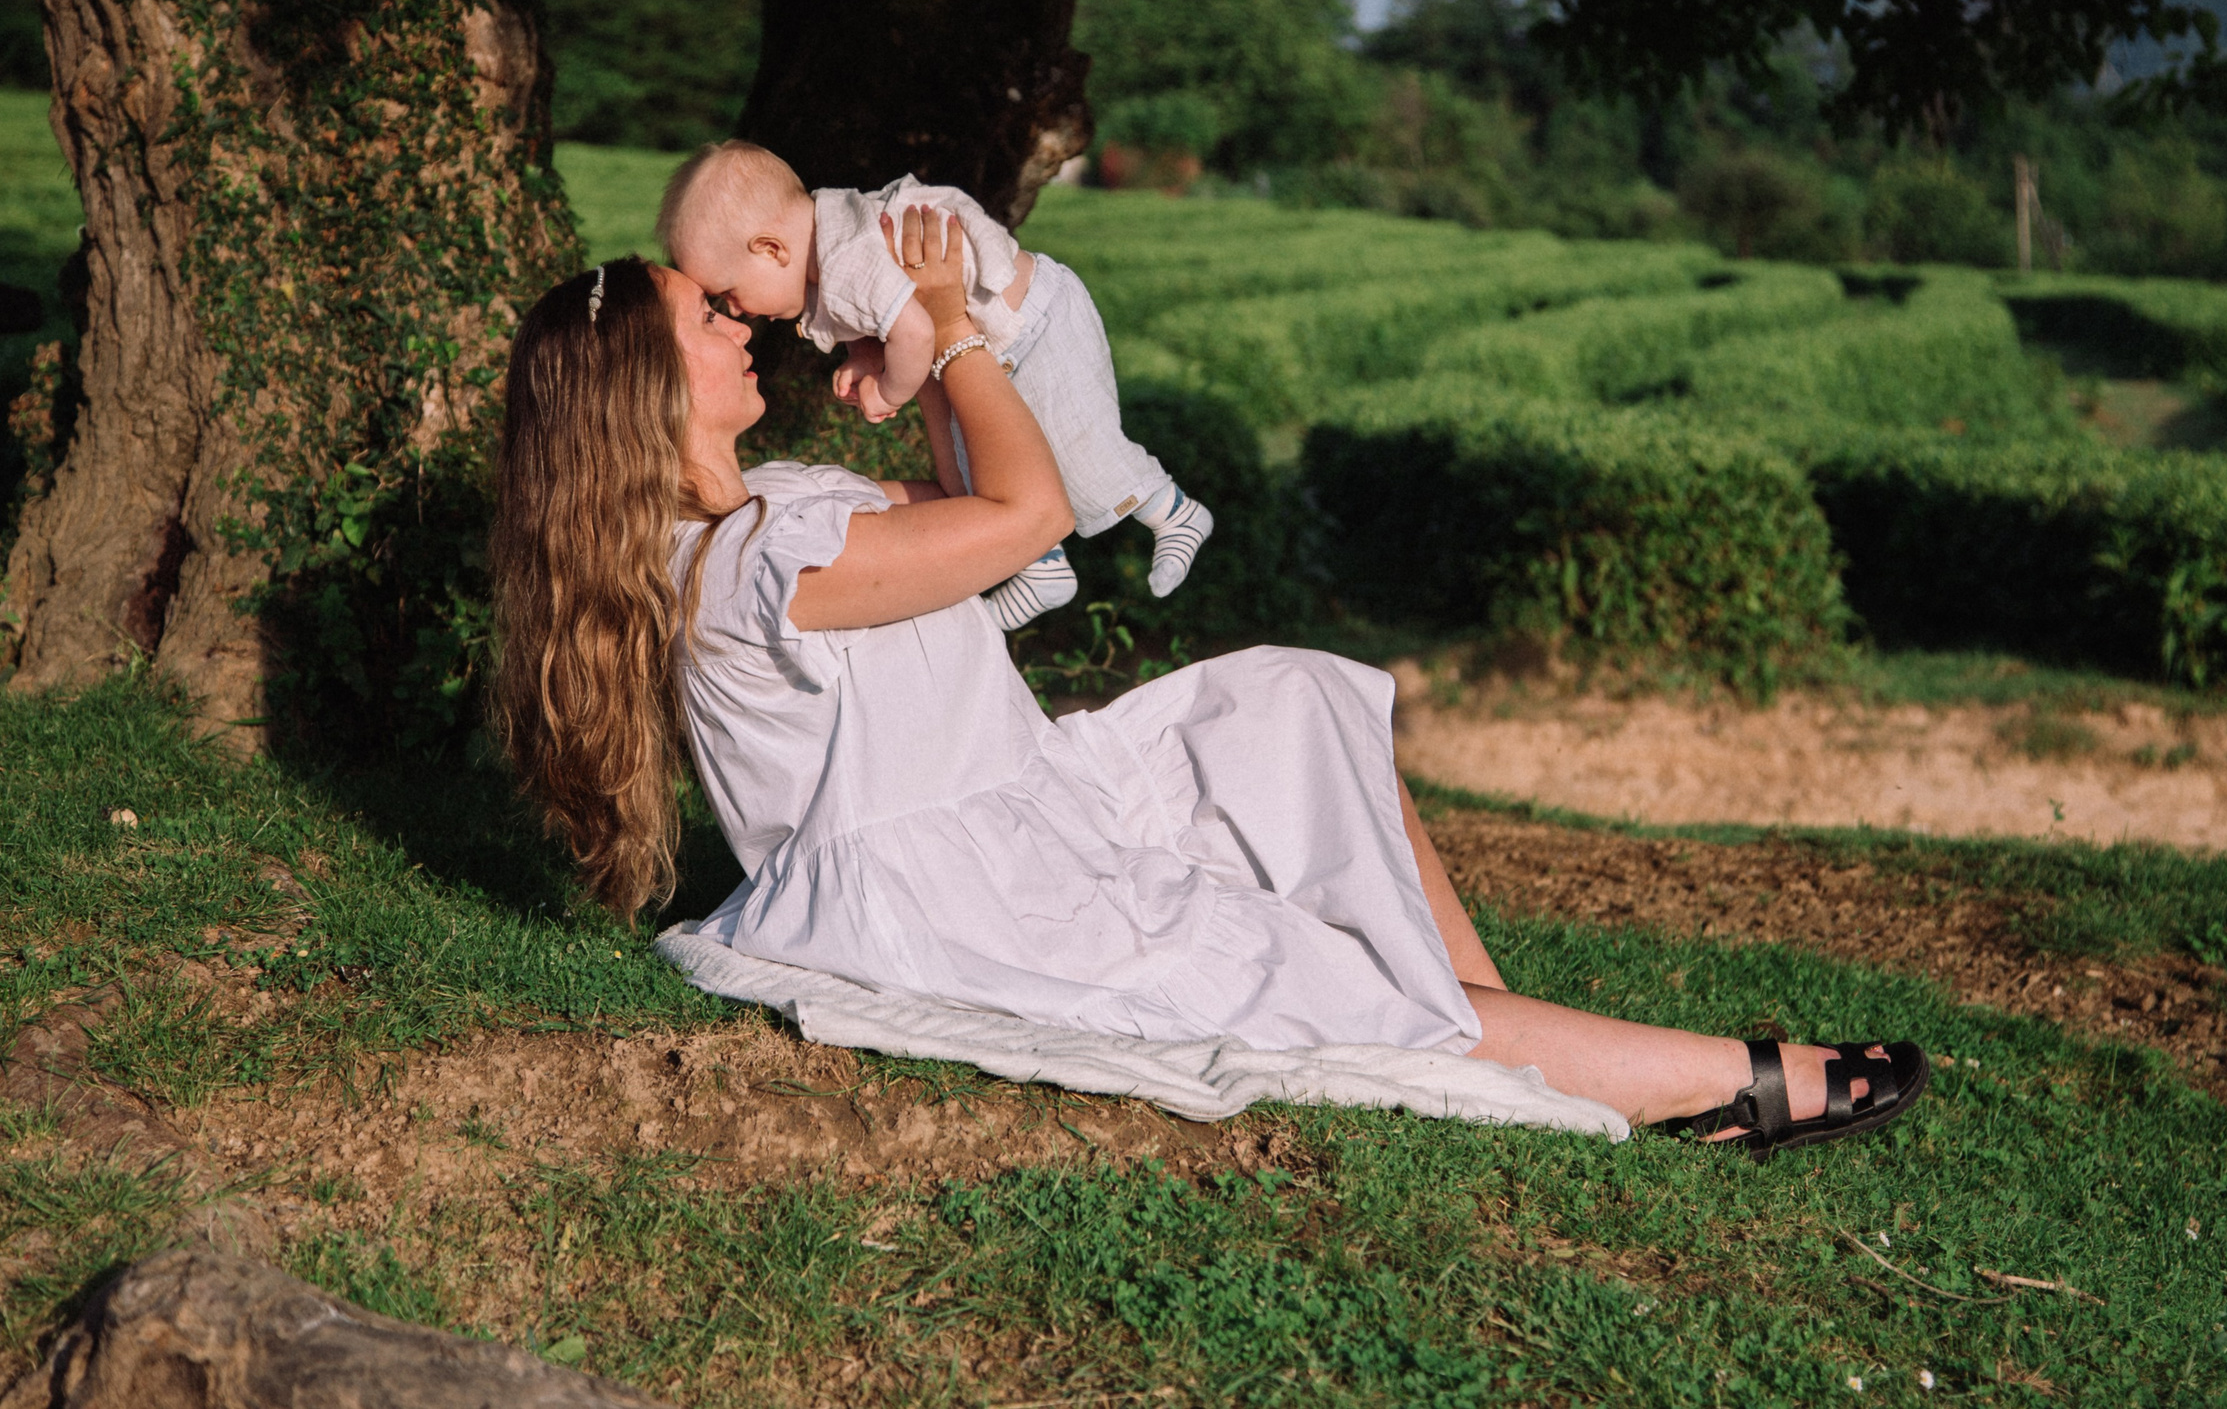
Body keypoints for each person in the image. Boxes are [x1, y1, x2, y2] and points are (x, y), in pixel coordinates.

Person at [489, 207, 1930, 1157]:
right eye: (702, 315)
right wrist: (961, 324)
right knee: (1292, 977)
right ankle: (1712, 1078)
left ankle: (1499, 1027)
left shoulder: (779, 509)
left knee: (1292, 704)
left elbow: (967, 509)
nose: (741, 317)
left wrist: (924, 366)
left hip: (1023, 795)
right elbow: (1027, 520)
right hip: (965, 882)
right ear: (645, 386)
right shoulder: (749, 561)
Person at [654, 139, 1211, 630]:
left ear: (771, 249)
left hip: (1038, 322)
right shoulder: (821, 265)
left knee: (1085, 447)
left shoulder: (846, 257)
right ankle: (1041, 567)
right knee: (981, 469)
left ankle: (1176, 512)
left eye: (728, 294)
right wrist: (868, 359)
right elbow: (882, 320)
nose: (737, 313)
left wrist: (891, 391)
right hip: (993, 345)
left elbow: (918, 330)